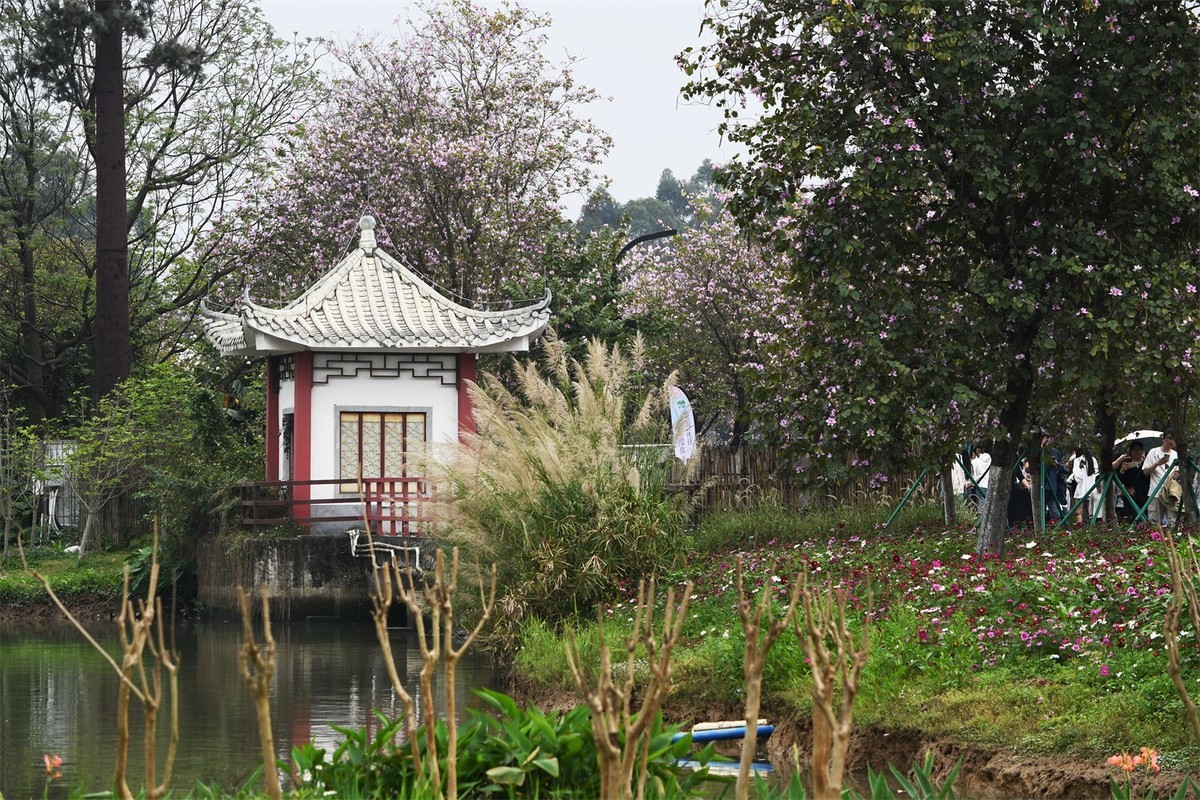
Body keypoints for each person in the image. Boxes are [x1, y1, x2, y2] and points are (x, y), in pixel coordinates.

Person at [1143, 432, 1180, 526]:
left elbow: (1179, 473)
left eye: (1173, 439)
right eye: (1169, 438)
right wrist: (1157, 464)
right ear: (1163, 439)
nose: (1171, 441)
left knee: (1173, 523)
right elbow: (1145, 472)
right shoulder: (1153, 452)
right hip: (1155, 493)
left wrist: (1177, 475)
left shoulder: (1176, 454)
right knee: (1153, 523)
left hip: (1171, 493)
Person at [1115, 443, 1150, 521]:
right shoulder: (1126, 465)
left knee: (1145, 521)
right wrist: (1122, 471)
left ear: (1142, 452)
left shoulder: (1147, 465)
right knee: (1132, 520)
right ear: (1130, 452)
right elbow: (1120, 481)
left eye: (1139, 449)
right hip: (1130, 498)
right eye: (1134, 449)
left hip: (1145, 497)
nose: (1136, 452)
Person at [1070, 446, 1098, 524]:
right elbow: (1096, 474)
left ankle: (1079, 528)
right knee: (1091, 511)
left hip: (1081, 489)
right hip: (1092, 489)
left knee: (1079, 512)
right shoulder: (1093, 459)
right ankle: (1093, 527)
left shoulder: (1077, 460)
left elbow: (1078, 477)